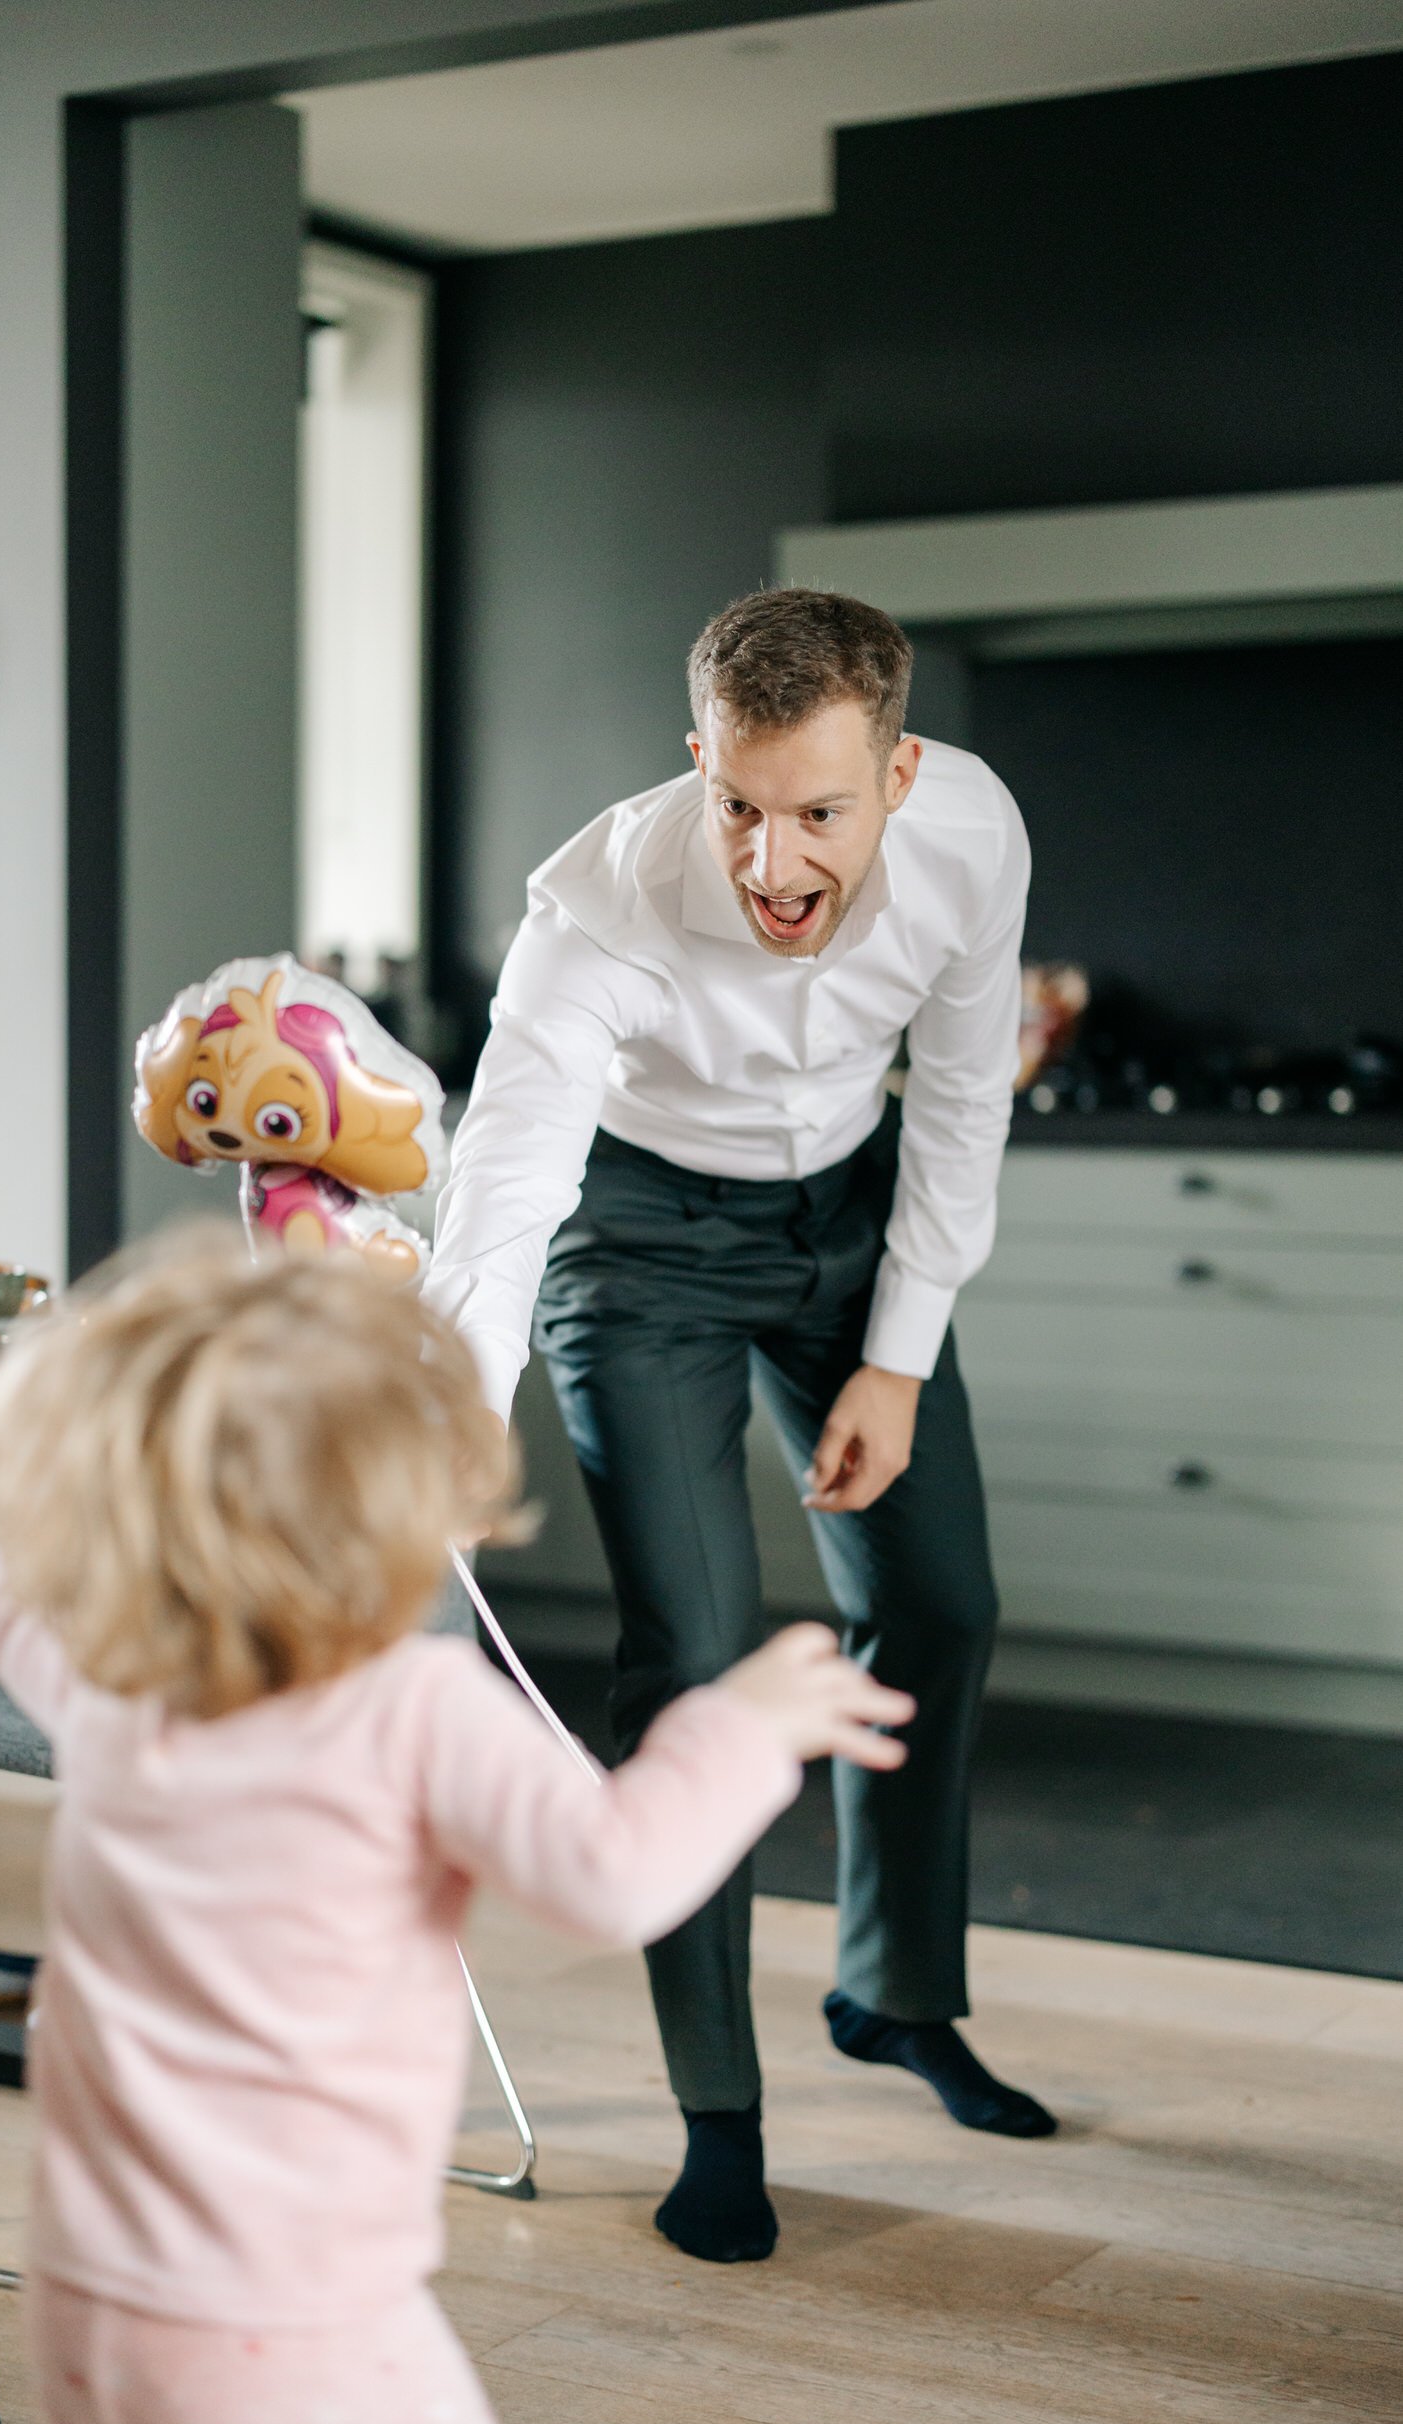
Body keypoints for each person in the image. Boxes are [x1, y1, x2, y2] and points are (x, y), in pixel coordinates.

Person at [0, 1231, 915, 2424]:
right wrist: (738, 1728)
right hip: (294, 2330)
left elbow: (20, 1590)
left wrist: (115, 1388)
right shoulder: (412, 1707)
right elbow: (610, 1872)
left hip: (87, 2300)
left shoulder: (112, 1676)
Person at [425, 586, 1056, 2272]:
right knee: (694, 1665)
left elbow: (964, 1095)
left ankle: (894, 1994)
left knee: (938, 1605)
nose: (773, 863)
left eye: (819, 813)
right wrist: (433, 1429)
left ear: (899, 775)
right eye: (738, 805)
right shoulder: (597, 911)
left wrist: (898, 1355)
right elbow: (502, 1188)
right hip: (638, 1247)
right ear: (694, 756)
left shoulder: (973, 836)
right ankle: (720, 2114)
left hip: (848, 1222)